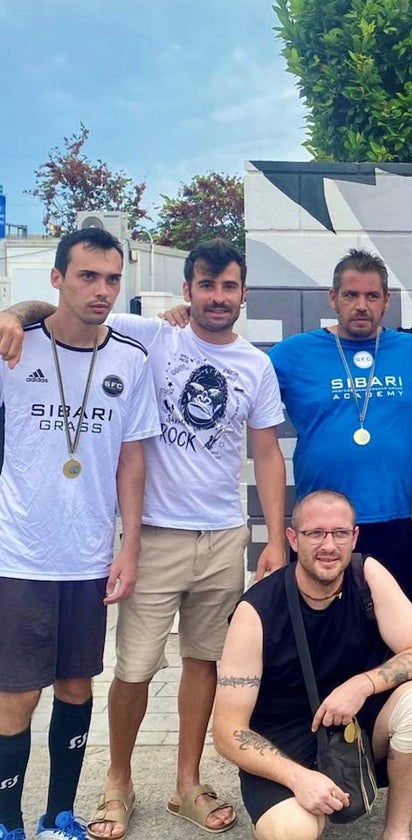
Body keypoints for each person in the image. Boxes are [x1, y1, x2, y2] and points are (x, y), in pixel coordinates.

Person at [0, 238, 288, 838]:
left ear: (243, 294)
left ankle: (186, 784)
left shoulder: (255, 365)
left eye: (228, 286)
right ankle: (117, 783)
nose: (217, 296)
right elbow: (64, 309)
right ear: (186, 291)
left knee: (203, 662)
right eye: (205, 285)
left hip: (223, 534)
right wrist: (9, 315)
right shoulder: (150, 337)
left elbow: (266, 453)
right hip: (154, 533)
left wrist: (274, 535)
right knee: (133, 669)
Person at [0, 228, 158, 840]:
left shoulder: (129, 359)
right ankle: (8, 819)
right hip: (20, 553)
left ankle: (58, 814)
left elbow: (131, 461)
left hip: (89, 556)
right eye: (87, 275)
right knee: (16, 695)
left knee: (75, 685)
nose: (102, 290)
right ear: (57, 278)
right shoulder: (14, 348)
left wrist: (130, 546)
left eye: (112, 278)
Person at [212, 490, 412, 840]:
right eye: (315, 533)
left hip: (353, 727)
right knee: (294, 831)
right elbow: (227, 732)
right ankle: (304, 801)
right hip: (282, 743)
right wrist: (298, 778)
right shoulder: (255, 611)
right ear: (293, 539)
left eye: (339, 533)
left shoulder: (366, 575)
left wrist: (362, 685)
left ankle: (396, 832)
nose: (329, 545)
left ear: (354, 537)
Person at [268, 249, 412, 592]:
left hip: (391, 520)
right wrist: (189, 321)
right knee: (321, 630)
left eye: (371, 296)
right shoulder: (292, 354)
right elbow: (234, 373)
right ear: (333, 298)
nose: (361, 305)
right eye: (351, 295)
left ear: (386, 301)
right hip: (322, 527)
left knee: (388, 631)